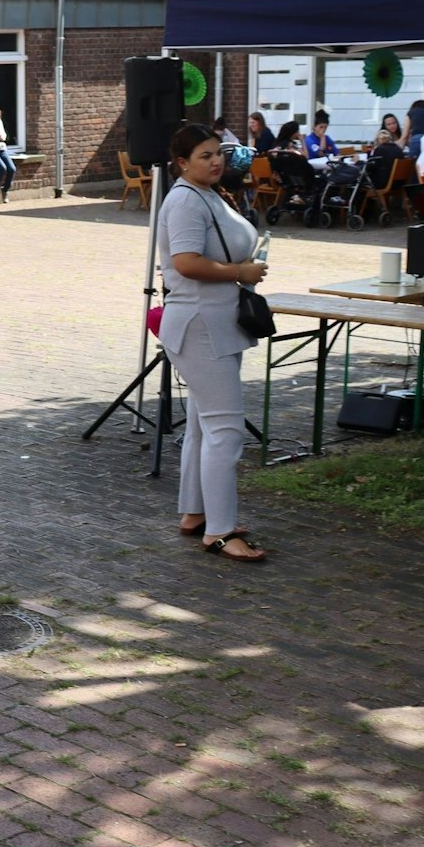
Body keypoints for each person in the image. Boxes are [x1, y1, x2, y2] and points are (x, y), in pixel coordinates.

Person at [158, 123, 269, 564]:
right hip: (203, 323)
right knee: (225, 430)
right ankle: (220, 533)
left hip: (214, 322)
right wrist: (239, 273)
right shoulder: (186, 199)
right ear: (183, 163)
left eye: (218, 153)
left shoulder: (204, 193)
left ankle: (196, 513)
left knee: (206, 426)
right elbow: (185, 263)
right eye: (205, 155)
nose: (216, 161)